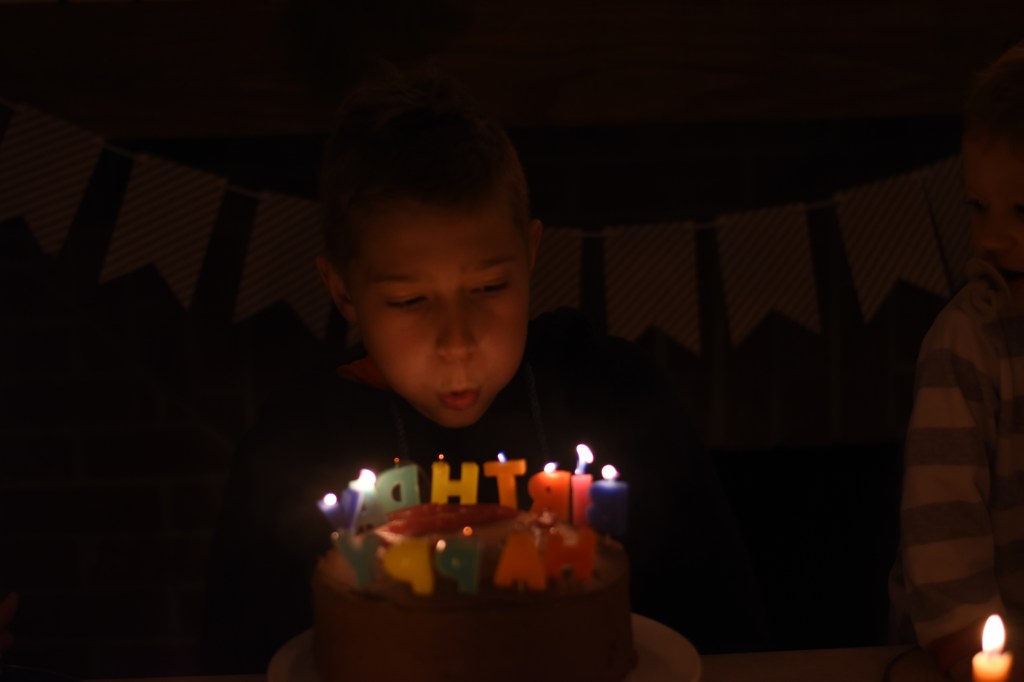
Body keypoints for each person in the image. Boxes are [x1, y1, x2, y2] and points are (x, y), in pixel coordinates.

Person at [201, 68, 765, 673]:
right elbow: (243, 657)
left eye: (489, 287)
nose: (457, 342)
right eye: (410, 300)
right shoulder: (294, 445)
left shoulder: (618, 397)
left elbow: (726, 629)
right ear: (343, 291)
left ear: (530, 254)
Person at [890, 40, 1024, 681]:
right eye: (978, 207)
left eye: (1023, 210)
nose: (992, 238)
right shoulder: (965, 347)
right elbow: (945, 557)